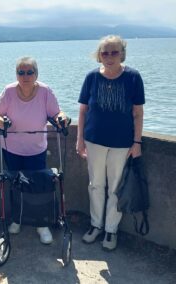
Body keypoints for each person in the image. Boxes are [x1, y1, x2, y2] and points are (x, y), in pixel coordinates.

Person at [77, 35, 145, 251]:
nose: (109, 56)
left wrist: (137, 142)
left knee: (115, 188)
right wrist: (80, 139)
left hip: (122, 143)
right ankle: (96, 225)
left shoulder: (133, 77)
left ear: (122, 53)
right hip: (94, 140)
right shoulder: (91, 78)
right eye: (105, 52)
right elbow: (83, 111)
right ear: (99, 55)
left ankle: (111, 230)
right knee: (95, 184)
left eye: (114, 52)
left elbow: (138, 113)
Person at [0, 56, 68, 244]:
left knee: (38, 186)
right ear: (16, 74)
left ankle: (42, 225)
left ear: (36, 74)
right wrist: (0, 121)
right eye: (21, 72)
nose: (25, 76)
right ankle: (17, 219)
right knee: (15, 183)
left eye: (29, 72)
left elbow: (57, 112)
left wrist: (62, 118)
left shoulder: (45, 91)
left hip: (36, 148)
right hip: (11, 147)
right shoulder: (8, 91)